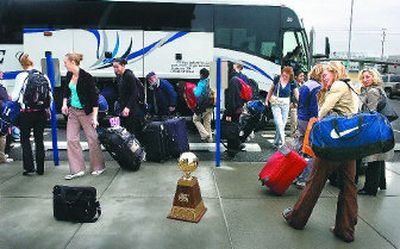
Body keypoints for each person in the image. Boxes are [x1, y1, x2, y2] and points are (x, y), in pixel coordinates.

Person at [282, 62, 359, 243]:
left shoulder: (339, 85)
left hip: (333, 143)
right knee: (348, 185)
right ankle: (345, 229)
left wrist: (316, 123)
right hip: (350, 143)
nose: (323, 77)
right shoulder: (349, 87)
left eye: (326, 74)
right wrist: (324, 90)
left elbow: (323, 111)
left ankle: (297, 218)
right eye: (322, 75)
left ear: (336, 73)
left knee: (315, 181)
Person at [61, 52, 105, 180]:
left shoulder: (86, 77)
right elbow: (66, 90)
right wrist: (64, 104)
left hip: (86, 112)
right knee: (71, 139)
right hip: (73, 111)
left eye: (66, 62)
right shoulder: (69, 74)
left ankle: (98, 166)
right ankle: (77, 169)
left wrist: (94, 118)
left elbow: (94, 99)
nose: (65, 64)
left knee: (92, 139)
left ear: (73, 62)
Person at [11, 54, 52, 175]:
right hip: (40, 113)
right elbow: (50, 96)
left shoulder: (21, 76)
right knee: (39, 140)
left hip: (26, 113)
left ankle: (29, 168)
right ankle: (41, 169)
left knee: (25, 140)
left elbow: (14, 97)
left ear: (22, 64)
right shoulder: (42, 75)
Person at [357, 67, 393, 196]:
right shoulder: (379, 89)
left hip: (373, 128)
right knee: (379, 158)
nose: (365, 79)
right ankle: (380, 184)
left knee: (372, 158)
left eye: (368, 77)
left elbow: (370, 113)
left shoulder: (372, 91)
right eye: (363, 77)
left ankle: (369, 188)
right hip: (380, 127)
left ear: (374, 77)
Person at [293, 64, 323, 189]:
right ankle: (303, 179)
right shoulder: (316, 87)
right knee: (310, 151)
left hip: (301, 118)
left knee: (300, 147)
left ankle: (295, 175)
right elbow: (314, 107)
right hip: (309, 120)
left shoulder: (306, 85)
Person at [112, 57, 145, 141]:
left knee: (133, 128)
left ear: (123, 66)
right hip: (124, 104)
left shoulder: (129, 76)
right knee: (125, 128)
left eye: (117, 67)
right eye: (114, 67)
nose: (115, 69)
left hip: (133, 106)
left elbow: (134, 93)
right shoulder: (119, 76)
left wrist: (128, 107)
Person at [265, 66, 298, 148]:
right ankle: (283, 142)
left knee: (282, 124)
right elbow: (271, 89)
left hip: (286, 103)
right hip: (275, 102)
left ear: (290, 75)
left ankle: (276, 142)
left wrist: (300, 102)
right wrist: (266, 100)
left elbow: (296, 93)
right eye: (284, 73)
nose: (284, 75)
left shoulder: (292, 82)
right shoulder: (277, 78)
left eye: (287, 74)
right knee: (278, 122)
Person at [193, 68, 213, 143]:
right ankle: (210, 139)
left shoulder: (201, 83)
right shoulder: (210, 82)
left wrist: (195, 89)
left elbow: (197, 94)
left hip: (203, 105)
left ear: (201, 74)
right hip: (211, 105)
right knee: (207, 122)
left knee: (195, 119)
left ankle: (205, 135)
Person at [0, 71, 13, 164]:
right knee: (2, 136)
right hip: (2, 113)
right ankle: (2, 157)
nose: (2, 74)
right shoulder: (1, 89)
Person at [289, 70, 305, 137]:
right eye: (300, 76)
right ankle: (293, 135)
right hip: (294, 105)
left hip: (302, 106)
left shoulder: (304, 84)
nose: (302, 77)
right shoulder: (293, 84)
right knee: (294, 122)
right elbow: (291, 94)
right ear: (296, 77)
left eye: (303, 76)